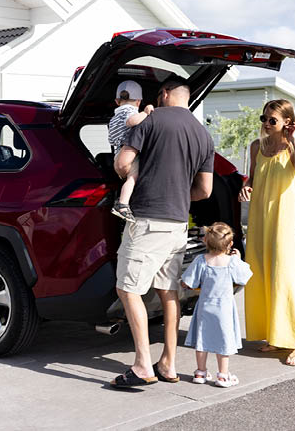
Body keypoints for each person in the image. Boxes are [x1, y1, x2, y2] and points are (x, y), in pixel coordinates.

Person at [109, 77, 214, 388]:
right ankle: (168, 363)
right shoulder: (203, 134)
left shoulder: (151, 121)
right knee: (168, 292)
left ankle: (143, 365)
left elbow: (123, 163)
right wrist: (177, 194)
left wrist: (126, 173)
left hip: (147, 221)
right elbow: (205, 190)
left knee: (128, 290)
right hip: (178, 224)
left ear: (165, 94)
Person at [239, 99, 295, 366]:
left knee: (284, 274)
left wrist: (293, 140)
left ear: (287, 122)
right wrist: (247, 186)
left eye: (273, 120)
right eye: (264, 119)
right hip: (260, 216)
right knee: (261, 272)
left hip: (284, 218)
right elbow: (253, 177)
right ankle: (276, 336)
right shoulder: (256, 146)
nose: (267, 124)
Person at [181, 222, 253, 388]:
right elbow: (244, 277)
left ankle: (200, 372)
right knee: (223, 341)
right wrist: (237, 258)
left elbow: (188, 282)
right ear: (230, 243)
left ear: (205, 240)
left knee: (202, 339)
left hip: (205, 307)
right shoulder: (232, 262)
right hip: (224, 309)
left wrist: (182, 283)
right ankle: (223, 376)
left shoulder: (201, 260)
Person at [107, 80, 155, 222]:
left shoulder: (114, 118)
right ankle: (122, 205)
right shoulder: (130, 112)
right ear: (138, 102)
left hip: (118, 154)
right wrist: (145, 113)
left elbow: (112, 139)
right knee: (133, 178)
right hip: (128, 154)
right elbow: (131, 121)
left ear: (117, 101)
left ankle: (123, 202)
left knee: (130, 179)